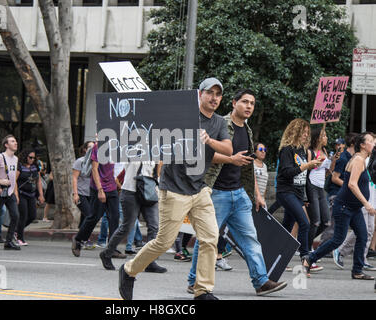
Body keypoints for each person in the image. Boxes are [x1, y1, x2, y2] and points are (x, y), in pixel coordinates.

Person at [118, 77, 233, 300]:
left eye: (218, 94)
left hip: (199, 190)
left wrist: (208, 140)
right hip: (174, 188)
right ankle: (129, 270)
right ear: (200, 94)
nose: (214, 98)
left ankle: (203, 290)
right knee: (164, 242)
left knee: (210, 239)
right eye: (210, 93)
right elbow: (157, 136)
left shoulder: (218, 122)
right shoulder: (183, 114)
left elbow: (228, 149)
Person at [187, 89, 286, 297]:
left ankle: (261, 282)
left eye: (252, 103)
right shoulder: (220, 124)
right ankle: (194, 281)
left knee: (251, 238)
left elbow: (247, 166)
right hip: (216, 193)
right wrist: (231, 159)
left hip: (239, 193)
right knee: (208, 239)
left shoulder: (247, 130)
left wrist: (257, 194)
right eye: (244, 102)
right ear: (233, 103)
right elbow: (206, 154)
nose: (249, 106)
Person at [304, 132, 376, 280]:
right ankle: (310, 259)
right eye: (371, 141)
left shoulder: (362, 159)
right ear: (362, 145)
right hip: (344, 206)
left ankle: (357, 270)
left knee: (362, 236)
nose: (374, 143)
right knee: (338, 239)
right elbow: (351, 184)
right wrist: (366, 204)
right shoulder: (357, 160)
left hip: (353, 208)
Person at [99, 161, 166, 273]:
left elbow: (158, 172)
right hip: (131, 192)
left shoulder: (155, 151)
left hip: (149, 191)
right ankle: (107, 253)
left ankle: (150, 261)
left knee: (154, 226)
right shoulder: (131, 149)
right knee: (127, 227)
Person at [276, 119, 323, 267]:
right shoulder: (287, 149)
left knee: (286, 227)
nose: (306, 135)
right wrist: (306, 166)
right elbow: (286, 172)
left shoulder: (301, 150)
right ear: (295, 132)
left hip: (296, 194)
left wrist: (305, 197)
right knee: (304, 223)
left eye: (307, 133)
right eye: (303, 132)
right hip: (286, 192)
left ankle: (277, 256)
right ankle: (305, 257)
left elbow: (303, 178)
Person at [72, 142, 121, 257]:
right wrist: (100, 190)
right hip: (98, 187)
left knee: (114, 217)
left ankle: (112, 248)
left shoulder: (117, 145)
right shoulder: (98, 146)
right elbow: (94, 169)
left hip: (111, 186)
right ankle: (78, 240)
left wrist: (117, 185)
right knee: (94, 216)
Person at [333, 144, 376, 271]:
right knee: (365, 231)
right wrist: (366, 203)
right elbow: (352, 183)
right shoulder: (363, 158)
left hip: (369, 196)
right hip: (363, 197)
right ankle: (342, 252)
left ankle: (358, 263)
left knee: (367, 231)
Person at [321, 132, 358, 247]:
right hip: (336, 194)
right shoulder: (343, 158)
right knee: (332, 223)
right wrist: (350, 185)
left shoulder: (352, 158)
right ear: (353, 143)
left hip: (345, 195)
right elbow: (335, 178)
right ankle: (324, 245)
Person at [305, 126, 335, 252]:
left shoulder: (325, 151)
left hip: (320, 188)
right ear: (317, 138)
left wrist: (333, 162)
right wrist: (315, 163)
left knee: (326, 221)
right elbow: (306, 170)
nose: (326, 138)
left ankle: (306, 242)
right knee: (315, 221)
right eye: (323, 135)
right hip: (311, 186)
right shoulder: (310, 151)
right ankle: (307, 248)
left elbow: (327, 173)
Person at [16, 149, 45, 246]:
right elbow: (14, 181)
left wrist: (41, 195)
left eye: (34, 158)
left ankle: (16, 231)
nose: (32, 159)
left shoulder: (35, 167)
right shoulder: (20, 166)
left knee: (32, 216)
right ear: (25, 157)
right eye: (30, 157)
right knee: (23, 215)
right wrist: (16, 194)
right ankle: (20, 237)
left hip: (32, 194)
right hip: (21, 193)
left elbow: (38, 181)